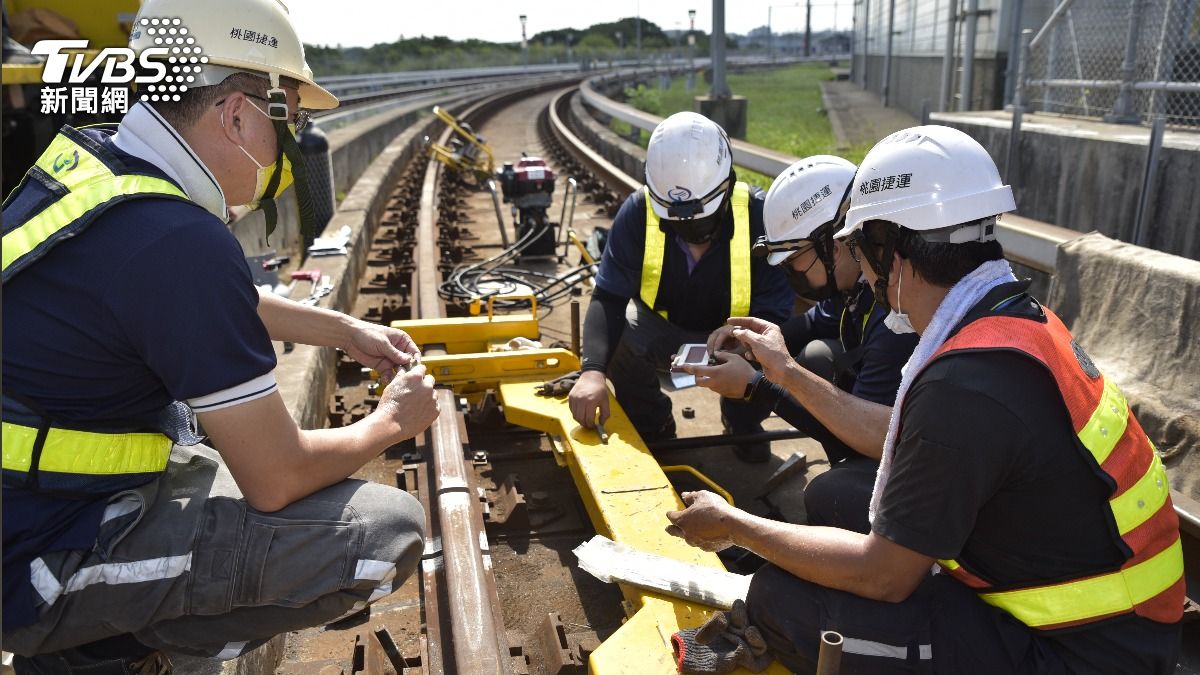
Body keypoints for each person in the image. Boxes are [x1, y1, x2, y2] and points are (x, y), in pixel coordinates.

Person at [2, 1, 439, 671]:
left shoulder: (100, 169)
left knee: (204, 437)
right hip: (36, 562)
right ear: (235, 115)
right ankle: (107, 645)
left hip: (33, 511)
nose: (289, 143)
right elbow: (278, 477)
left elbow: (190, 298)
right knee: (384, 535)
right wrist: (390, 421)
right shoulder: (178, 240)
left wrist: (341, 329)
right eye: (285, 117)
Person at [665, 125, 1183, 673]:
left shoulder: (962, 387)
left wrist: (733, 523)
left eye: (862, 249)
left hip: (1085, 655)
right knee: (816, 544)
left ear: (892, 250)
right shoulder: (1015, 322)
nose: (862, 271)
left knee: (783, 603)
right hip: (1108, 620)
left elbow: (883, 576)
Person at [684, 156, 918, 533]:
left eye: (794, 259)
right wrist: (753, 341)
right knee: (816, 354)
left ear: (836, 244)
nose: (791, 272)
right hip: (893, 432)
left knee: (827, 494)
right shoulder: (858, 287)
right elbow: (811, 322)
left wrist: (756, 385)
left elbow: (872, 437)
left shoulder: (894, 318)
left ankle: (861, 503)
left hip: (898, 452)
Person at [568, 111, 793, 462]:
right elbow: (608, 298)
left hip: (735, 342)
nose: (690, 228)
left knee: (774, 347)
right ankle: (653, 425)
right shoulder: (639, 211)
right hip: (663, 334)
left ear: (727, 185)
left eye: (700, 219)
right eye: (676, 218)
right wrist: (592, 372)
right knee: (621, 330)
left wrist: (745, 345)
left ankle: (741, 420)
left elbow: (777, 311)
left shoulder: (759, 215)